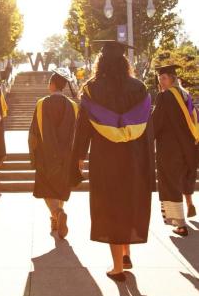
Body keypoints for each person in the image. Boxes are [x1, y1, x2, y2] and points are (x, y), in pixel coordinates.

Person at [71, 40, 154, 282]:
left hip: (105, 157)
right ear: (124, 62)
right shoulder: (139, 88)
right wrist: (148, 159)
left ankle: (117, 267)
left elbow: (83, 127)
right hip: (134, 156)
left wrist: (78, 156)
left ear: (101, 62)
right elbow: (146, 128)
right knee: (129, 201)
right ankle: (127, 251)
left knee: (110, 206)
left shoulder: (91, 89)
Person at [28, 68, 78, 239]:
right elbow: (76, 133)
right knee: (60, 189)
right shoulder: (73, 106)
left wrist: (33, 155)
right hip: (66, 156)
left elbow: (34, 133)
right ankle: (56, 218)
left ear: (53, 84)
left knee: (46, 190)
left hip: (46, 155)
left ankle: (57, 213)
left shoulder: (42, 103)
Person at [154, 65, 199, 237]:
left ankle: (180, 224)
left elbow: (157, 121)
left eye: (164, 78)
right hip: (187, 147)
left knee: (170, 183)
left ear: (172, 79)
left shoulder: (165, 96)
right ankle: (188, 205)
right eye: (160, 79)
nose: (161, 82)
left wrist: (145, 137)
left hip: (170, 148)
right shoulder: (185, 95)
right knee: (179, 180)